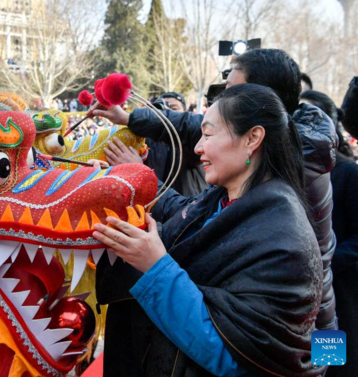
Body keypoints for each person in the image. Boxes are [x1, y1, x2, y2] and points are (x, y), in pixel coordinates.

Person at [94, 48, 337, 332]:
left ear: (255, 128)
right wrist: (132, 127)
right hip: (303, 303)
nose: (199, 147)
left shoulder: (281, 214)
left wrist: (157, 267)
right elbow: (190, 206)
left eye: (232, 90)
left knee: (321, 361)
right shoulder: (246, 177)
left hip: (309, 309)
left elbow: (230, 346)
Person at [300, 90, 358, 377]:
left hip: (336, 288)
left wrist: (324, 260)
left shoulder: (348, 174)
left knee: (333, 363)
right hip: (304, 291)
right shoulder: (293, 172)